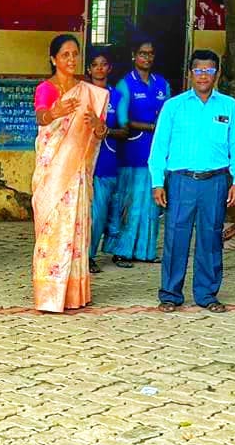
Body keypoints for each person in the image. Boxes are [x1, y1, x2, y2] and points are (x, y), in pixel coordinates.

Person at [150, 48, 235, 313]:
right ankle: (170, 294)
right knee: (175, 238)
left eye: (209, 70)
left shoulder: (229, 106)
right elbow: (158, 148)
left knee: (211, 238)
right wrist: (158, 182)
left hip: (215, 182)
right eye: (199, 70)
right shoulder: (173, 106)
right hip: (180, 182)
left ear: (217, 73)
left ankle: (207, 294)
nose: (204, 75)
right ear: (190, 73)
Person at [31, 34, 109, 313]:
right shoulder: (46, 88)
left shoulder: (89, 92)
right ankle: (49, 295)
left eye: (75, 54)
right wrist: (54, 112)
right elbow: (41, 116)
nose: (71, 59)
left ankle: (74, 294)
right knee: (52, 230)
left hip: (77, 175)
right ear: (53, 59)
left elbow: (100, 133)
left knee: (76, 232)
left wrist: (98, 124)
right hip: (53, 174)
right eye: (65, 54)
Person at [107, 40, 170, 267]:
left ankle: (145, 251)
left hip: (155, 156)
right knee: (129, 203)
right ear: (134, 55)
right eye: (142, 53)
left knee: (151, 205)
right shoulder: (125, 84)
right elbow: (123, 122)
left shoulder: (162, 84)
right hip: (132, 153)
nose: (147, 57)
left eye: (150, 53)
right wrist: (151, 127)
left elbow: (168, 118)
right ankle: (121, 251)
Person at [86, 48, 127, 273]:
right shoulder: (82, 94)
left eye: (104, 64)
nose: (99, 68)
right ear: (89, 69)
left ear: (109, 68)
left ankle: (114, 251)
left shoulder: (116, 96)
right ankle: (88, 256)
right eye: (95, 64)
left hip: (112, 160)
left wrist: (103, 130)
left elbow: (124, 130)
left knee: (115, 210)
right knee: (95, 213)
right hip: (91, 164)